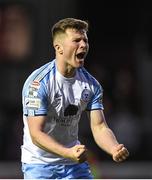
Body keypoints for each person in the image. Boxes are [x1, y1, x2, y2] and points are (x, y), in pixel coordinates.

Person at [21, 17, 129, 179]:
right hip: (39, 164)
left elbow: (99, 127)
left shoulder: (91, 85)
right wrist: (68, 152)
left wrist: (113, 148)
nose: (84, 45)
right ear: (59, 47)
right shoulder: (38, 83)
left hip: (73, 165)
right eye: (77, 40)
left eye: (85, 40)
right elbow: (36, 134)